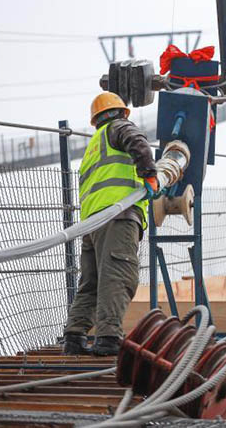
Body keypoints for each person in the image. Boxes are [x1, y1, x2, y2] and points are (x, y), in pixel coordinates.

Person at [63, 92, 160, 356]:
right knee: (118, 274)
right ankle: (108, 338)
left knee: (91, 282)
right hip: (118, 217)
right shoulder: (119, 127)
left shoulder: (93, 147)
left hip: (92, 224)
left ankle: (74, 337)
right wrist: (150, 175)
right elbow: (138, 143)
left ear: (95, 119)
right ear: (121, 112)